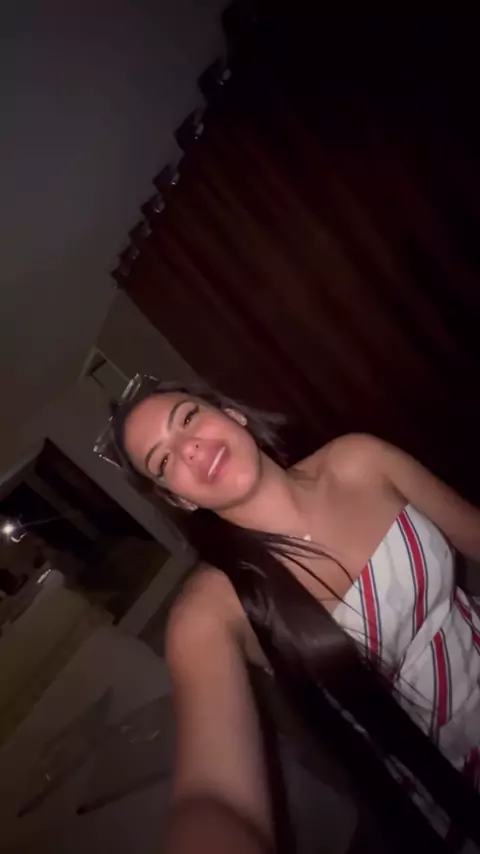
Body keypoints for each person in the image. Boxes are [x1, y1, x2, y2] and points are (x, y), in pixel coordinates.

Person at [95, 375, 480, 853]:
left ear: (232, 415)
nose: (188, 448)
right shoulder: (210, 612)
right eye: (165, 461)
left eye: (188, 418)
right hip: (452, 784)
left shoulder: (360, 460)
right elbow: (214, 798)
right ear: (180, 499)